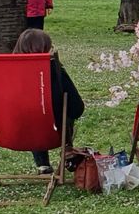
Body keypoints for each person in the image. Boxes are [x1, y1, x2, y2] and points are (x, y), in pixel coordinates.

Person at [11, 28, 85, 173]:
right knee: (48, 114)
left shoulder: (5, 69)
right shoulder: (53, 69)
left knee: (31, 115)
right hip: (52, 128)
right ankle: (67, 149)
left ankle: (42, 163)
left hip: (12, 128)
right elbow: (77, 107)